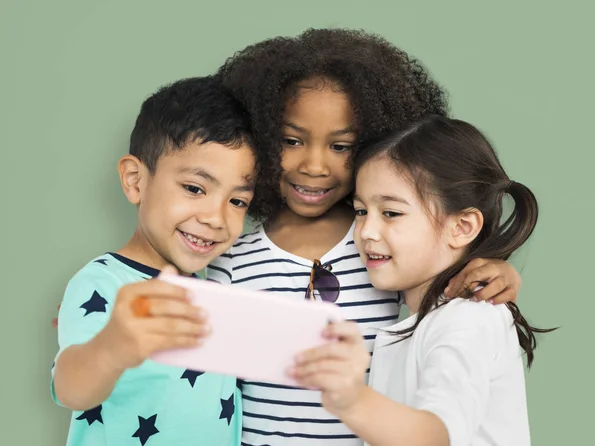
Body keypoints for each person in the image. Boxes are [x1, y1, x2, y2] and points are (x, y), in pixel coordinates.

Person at [207, 28, 524, 446]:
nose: (315, 165)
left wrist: (492, 269)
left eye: (341, 146)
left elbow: (443, 296)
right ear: (259, 136)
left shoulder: (382, 257)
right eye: (290, 140)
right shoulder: (229, 261)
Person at [291, 115, 555, 446]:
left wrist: (351, 398)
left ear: (461, 227)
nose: (366, 232)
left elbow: (436, 435)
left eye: (391, 213)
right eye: (361, 212)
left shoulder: (468, 319)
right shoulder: (430, 315)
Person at [51, 76, 273, 446]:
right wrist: (113, 346)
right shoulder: (101, 284)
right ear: (135, 180)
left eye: (237, 201)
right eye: (194, 188)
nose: (216, 218)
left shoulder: (216, 290)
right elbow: (71, 388)